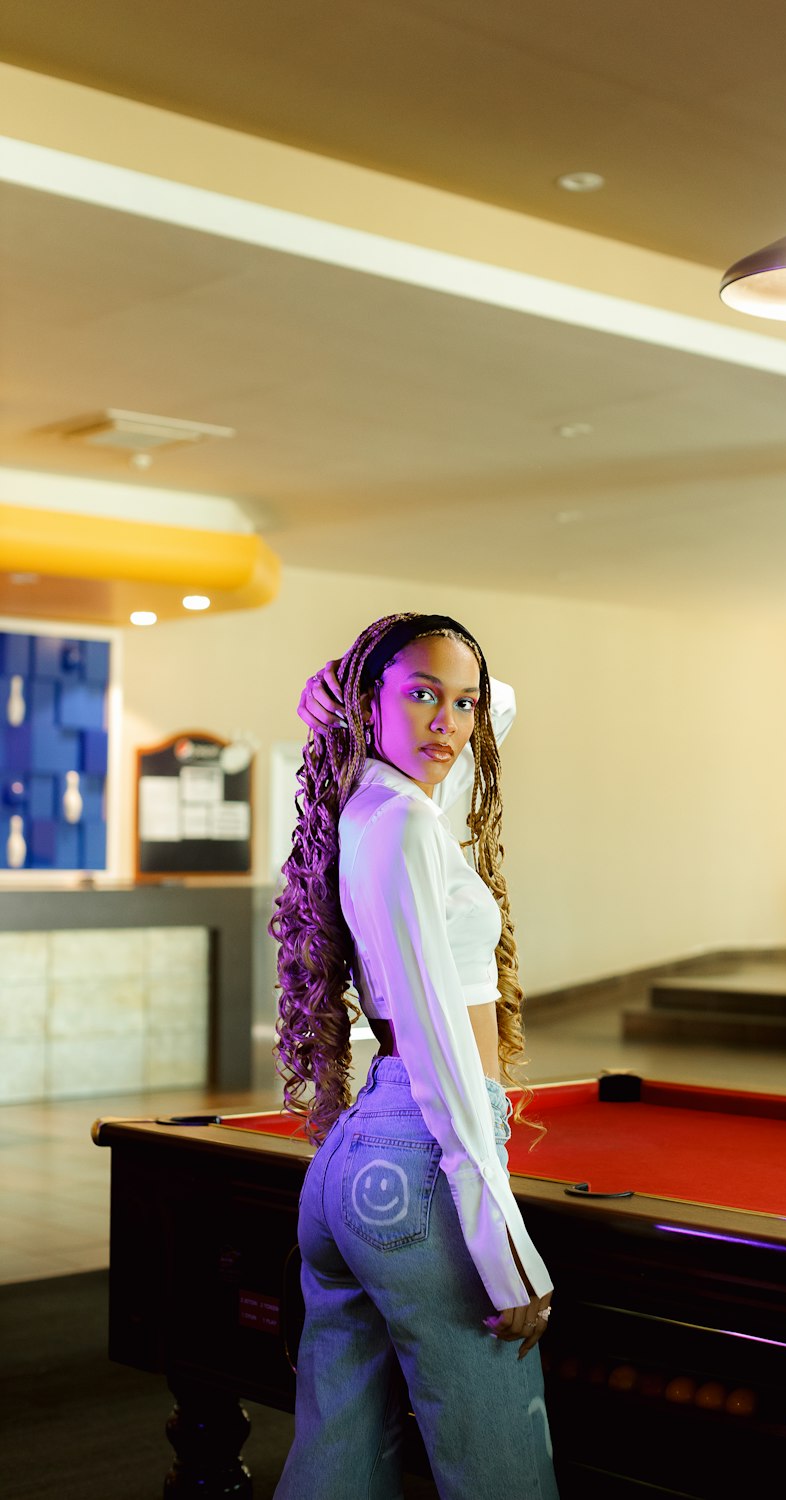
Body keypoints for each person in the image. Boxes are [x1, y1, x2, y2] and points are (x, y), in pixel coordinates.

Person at [271, 611, 559, 1500]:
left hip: (359, 1167)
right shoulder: (400, 821)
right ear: (372, 706)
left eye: (461, 702)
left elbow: (493, 706)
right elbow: (437, 1042)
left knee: (337, 1466)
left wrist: (344, 691)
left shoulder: (380, 799)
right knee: (498, 1472)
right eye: (422, 696)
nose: (452, 722)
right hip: (421, 1160)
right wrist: (502, 1239)